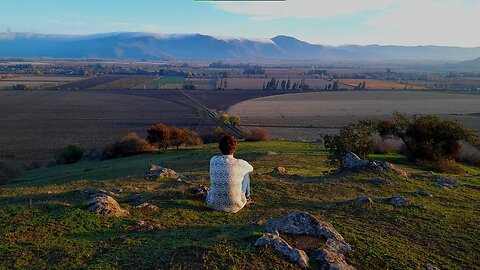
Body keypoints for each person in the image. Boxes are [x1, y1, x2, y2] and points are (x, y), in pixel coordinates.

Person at [206, 134, 254, 213]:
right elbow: (251, 168)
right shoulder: (240, 163)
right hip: (235, 206)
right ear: (235, 148)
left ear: (220, 147)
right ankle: (248, 197)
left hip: (214, 204)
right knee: (246, 173)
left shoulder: (213, 160)